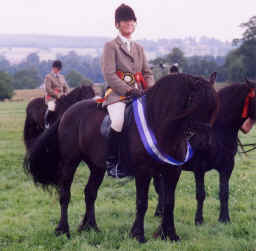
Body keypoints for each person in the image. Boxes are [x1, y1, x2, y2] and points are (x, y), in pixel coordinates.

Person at [101, 4, 154, 178]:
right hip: (118, 95)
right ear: (117, 24)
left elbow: (147, 72)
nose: (129, 23)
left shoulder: (139, 48)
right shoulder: (111, 46)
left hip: (140, 94)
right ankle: (112, 162)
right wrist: (129, 90)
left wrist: (152, 90)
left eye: (132, 21)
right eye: (125, 21)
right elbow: (109, 74)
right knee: (117, 121)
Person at [44, 60, 69, 129]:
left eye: (59, 69)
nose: (58, 71)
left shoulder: (62, 77)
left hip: (62, 98)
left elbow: (66, 87)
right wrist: (58, 95)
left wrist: (66, 94)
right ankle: (47, 122)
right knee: (51, 107)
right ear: (53, 68)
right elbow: (48, 89)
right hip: (51, 98)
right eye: (57, 69)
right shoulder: (48, 77)